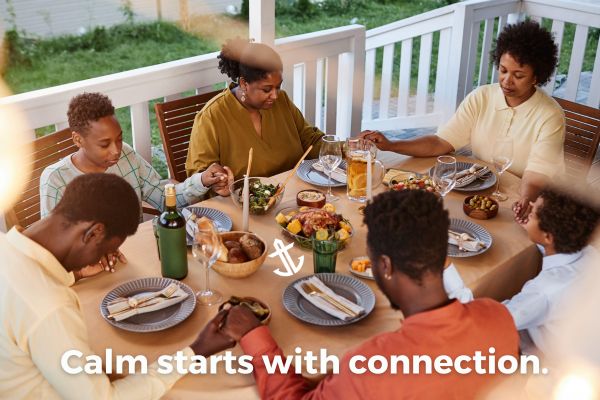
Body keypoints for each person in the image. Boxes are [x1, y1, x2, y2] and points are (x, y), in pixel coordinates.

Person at [219, 190, 519, 399]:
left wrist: (254, 338)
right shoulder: (498, 317)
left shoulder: (370, 366)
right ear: (443, 257)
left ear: (384, 266)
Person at [0, 174, 235, 399]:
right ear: (94, 233)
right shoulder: (49, 306)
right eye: (104, 251)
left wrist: (77, 272)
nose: (100, 260)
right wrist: (196, 351)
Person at [360, 20, 564, 223]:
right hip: (483, 189)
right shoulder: (482, 97)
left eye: (518, 75)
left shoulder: (550, 115)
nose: (506, 81)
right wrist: (391, 145)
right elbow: (440, 143)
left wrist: (525, 200)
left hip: (536, 200)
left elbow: (537, 173)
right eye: (502, 70)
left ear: (537, 77)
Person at [444, 186, 600, 355]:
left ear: (548, 236)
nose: (530, 205)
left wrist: (445, 268)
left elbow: (479, 322)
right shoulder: (589, 254)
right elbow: (556, 251)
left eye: (532, 213)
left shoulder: (544, 292)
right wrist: (535, 231)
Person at [40, 92, 233, 220]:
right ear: (78, 140)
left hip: (139, 254)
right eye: (104, 144)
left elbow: (164, 199)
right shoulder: (56, 180)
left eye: (119, 138)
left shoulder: (126, 154)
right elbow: (54, 245)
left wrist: (203, 180)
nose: (116, 150)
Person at [185, 38, 324, 180]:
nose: (275, 95)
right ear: (244, 83)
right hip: (241, 200)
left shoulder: (282, 100)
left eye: (278, 86)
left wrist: (341, 148)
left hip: (295, 193)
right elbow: (200, 175)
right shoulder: (212, 116)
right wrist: (216, 180)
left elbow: (311, 141)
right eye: (266, 89)